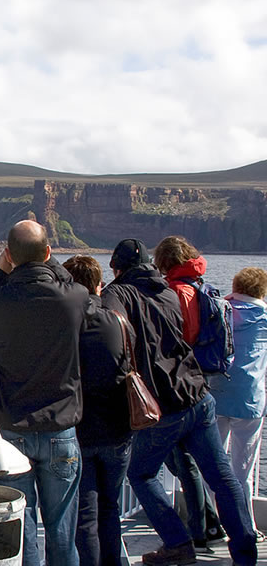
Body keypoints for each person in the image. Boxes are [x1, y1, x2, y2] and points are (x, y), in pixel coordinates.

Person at [102, 238, 257, 566]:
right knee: (222, 475)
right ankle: (245, 551)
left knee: (141, 474)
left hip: (164, 405)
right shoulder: (168, 289)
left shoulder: (117, 293)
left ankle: (178, 541)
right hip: (198, 395)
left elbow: (110, 329)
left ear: (117, 268)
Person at [0, 220, 90, 566]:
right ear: (47, 253)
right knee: (62, 531)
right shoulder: (74, 297)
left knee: (21, 524)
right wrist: (45, 260)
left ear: (9, 254)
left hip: (10, 432)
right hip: (60, 431)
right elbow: (69, 281)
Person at [153, 235, 224, 550]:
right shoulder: (199, 286)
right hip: (200, 384)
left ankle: (198, 531)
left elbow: (178, 338)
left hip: (180, 385)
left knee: (181, 461)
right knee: (192, 461)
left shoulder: (178, 293)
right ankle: (210, 524)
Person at [63, 256, 132, 566]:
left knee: (85, 513)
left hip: (82, 428)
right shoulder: (117, 319)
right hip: (119, 426)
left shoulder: (66, 325)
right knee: (110, 506)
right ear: (98, 284)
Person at [212, 267, 267, 534]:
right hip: (250, 401)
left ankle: (213, 521)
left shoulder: (219, 310)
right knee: (241, 471)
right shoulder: (264, 317)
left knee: (214, 464)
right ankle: (247, 526)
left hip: (217, 394)